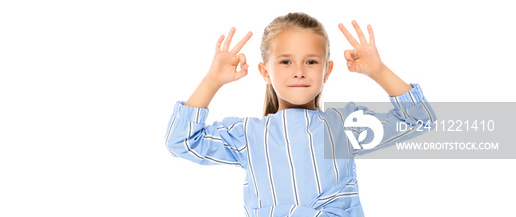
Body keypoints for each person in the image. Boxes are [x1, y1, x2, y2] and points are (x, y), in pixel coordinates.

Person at [164, 12, 436, 217]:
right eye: (285, 61)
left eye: (311, 61)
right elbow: (182, 141)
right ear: (265, 72)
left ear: (327, 71)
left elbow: (419, 119)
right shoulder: (248, 135)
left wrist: (379, 71)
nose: (299, 71)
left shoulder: (343, 127)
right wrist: (212, 81)